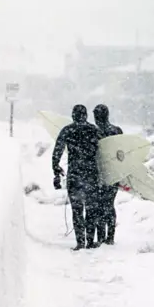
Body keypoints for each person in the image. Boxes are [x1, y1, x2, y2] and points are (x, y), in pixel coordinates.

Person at [52, 104, 102, 250]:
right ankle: (90, 241)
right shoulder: (94, 130)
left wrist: (56, 169)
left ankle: (80, 242)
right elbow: (105, 152)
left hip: (75, 174)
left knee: (77, 209)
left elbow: (57, 151)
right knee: (91, 209)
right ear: (86, 115)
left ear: (73, 115)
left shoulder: (68, 130)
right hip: (91, 174)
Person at [92, 104, 123, 245]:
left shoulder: (93, 131)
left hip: (97, 173)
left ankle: (101, 236)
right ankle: (110, 237)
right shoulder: (116, 131)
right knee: (109, 205)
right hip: (113, 173)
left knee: (98, 205)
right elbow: (122, 153)